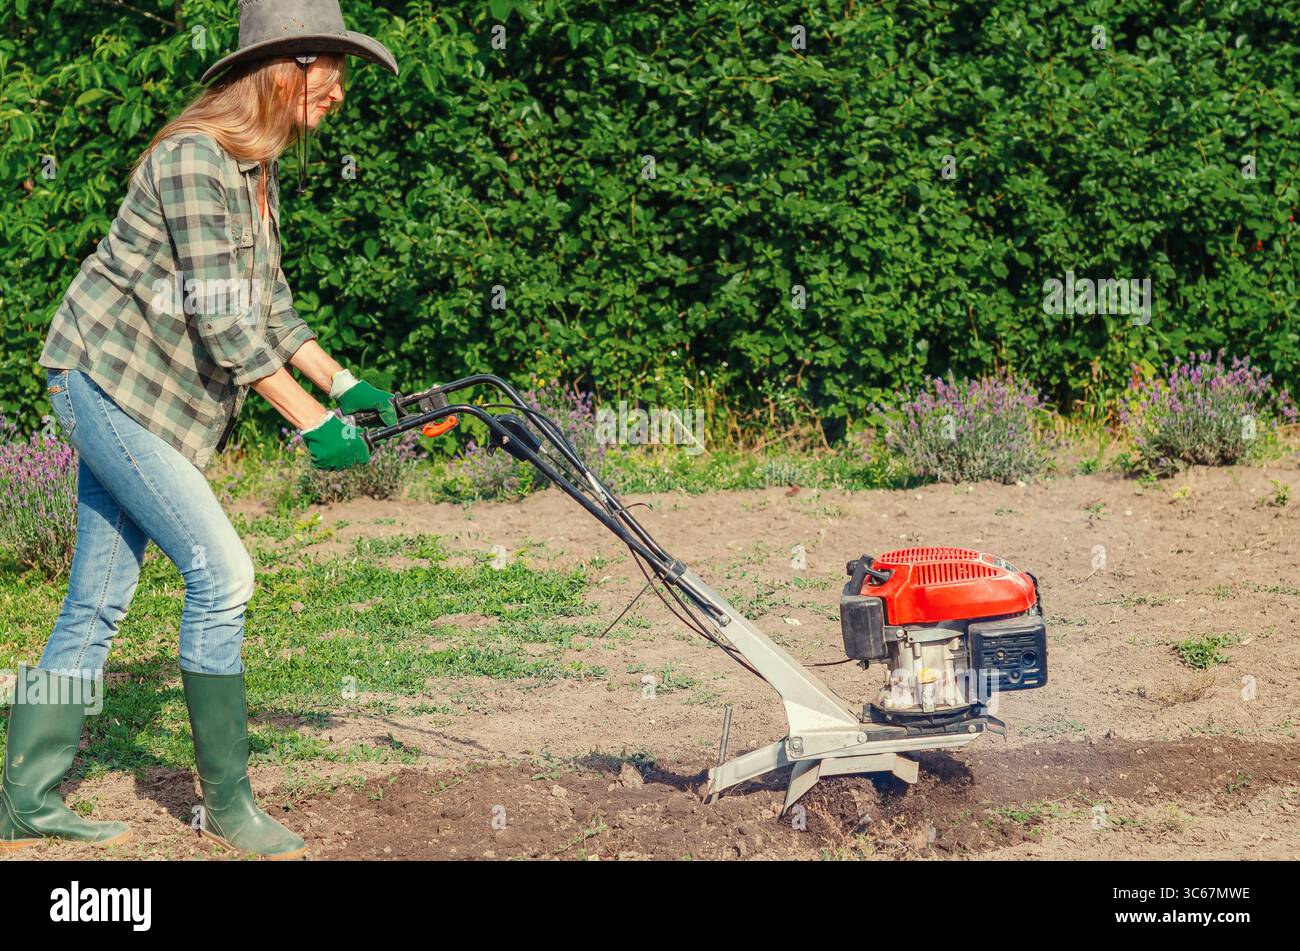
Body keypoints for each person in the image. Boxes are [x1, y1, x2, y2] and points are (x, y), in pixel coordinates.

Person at [0, 0, 400, 859]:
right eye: (332, 70)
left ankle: (25, 799)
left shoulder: (256, 169)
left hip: (150, 401)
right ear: (285, 70)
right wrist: (315, 426)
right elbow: (226, 327)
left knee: (96, 599)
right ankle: (227, 807)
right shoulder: (192, 159)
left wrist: (345, 381)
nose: (339, 92)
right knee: (224, 575)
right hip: (108, 384)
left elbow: (272, 307)